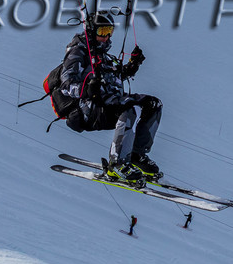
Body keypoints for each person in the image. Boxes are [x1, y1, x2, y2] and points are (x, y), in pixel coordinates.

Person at [50, 10, 163, 182]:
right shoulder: (78, 52)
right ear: (91, 31)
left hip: (106, 101)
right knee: (128, 110)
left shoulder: (101, 54)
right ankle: (116, 164)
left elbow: (111, 77)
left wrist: (131, 67)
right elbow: (67, 84)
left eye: (109, 31)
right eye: (102, 31)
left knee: (153, 104)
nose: (107, 36)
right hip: (86, 109)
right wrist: (86, 89)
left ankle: (136, 156)